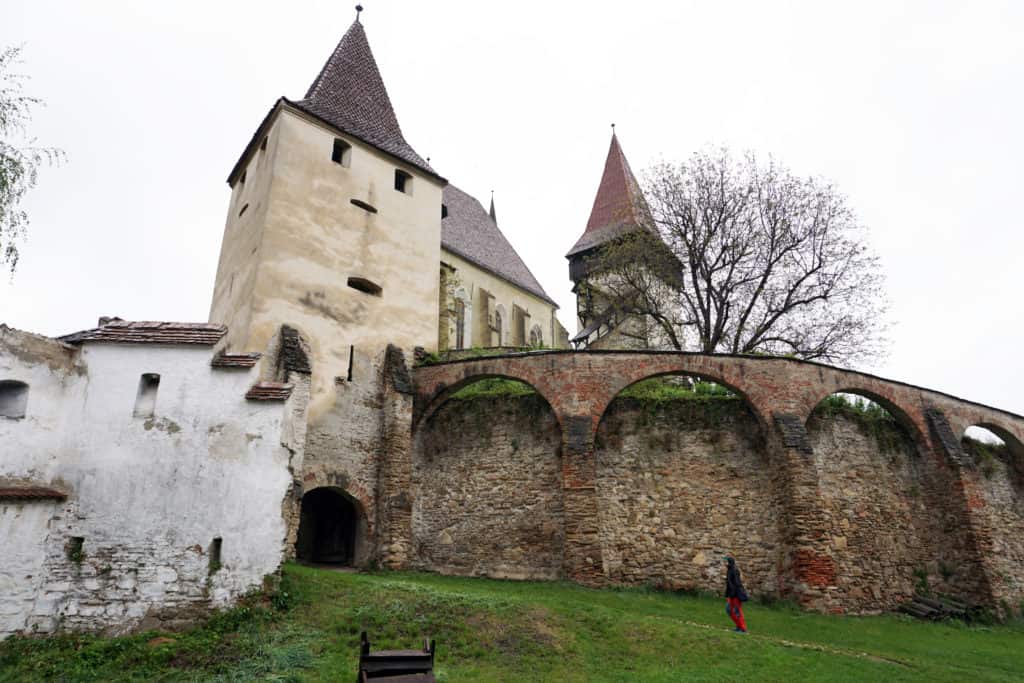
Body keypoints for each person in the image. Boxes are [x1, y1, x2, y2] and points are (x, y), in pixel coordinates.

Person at [724, 556, 748, 633]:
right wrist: (728, 594)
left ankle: (743, 629)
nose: (724, 563)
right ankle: (738, 626)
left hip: (736, 595)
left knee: (737, 611)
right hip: (731, 595)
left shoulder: (735, 571)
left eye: (726, 561)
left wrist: (734, 594)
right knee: (728, 610)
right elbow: (729, 584)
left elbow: (737, 584)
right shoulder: (729, 570)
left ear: (729, 562)